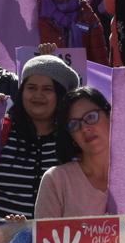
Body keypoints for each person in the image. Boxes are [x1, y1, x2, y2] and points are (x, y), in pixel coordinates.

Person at [0, 55, 78, 218]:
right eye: (31, 87)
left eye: (47, 89)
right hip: (4, 241)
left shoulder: (75, 137)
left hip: (60, 240)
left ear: (60, 95)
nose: (38, 95)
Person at [35, 86, 111, 218]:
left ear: (110, 116)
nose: (85, 128)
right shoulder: (56, 180)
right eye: (74, 124)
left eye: (91, 117)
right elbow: (43, 237)